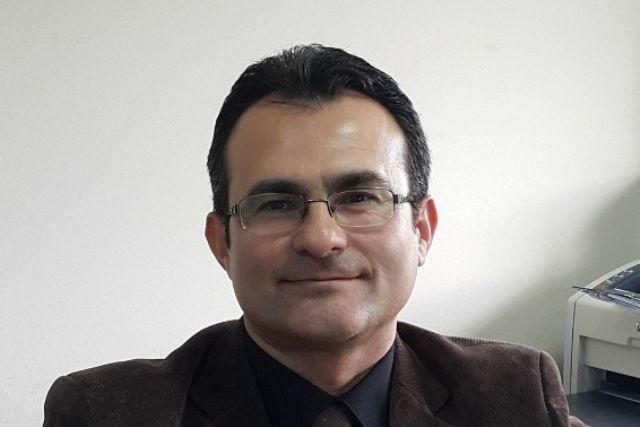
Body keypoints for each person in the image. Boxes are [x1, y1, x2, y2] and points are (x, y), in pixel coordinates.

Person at [44, 44, 583, 426]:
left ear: (421, 230)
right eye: (276, 204)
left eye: (359, 198)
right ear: (221, 242)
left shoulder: (515, 394)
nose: (321, 239)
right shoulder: (103, 412)